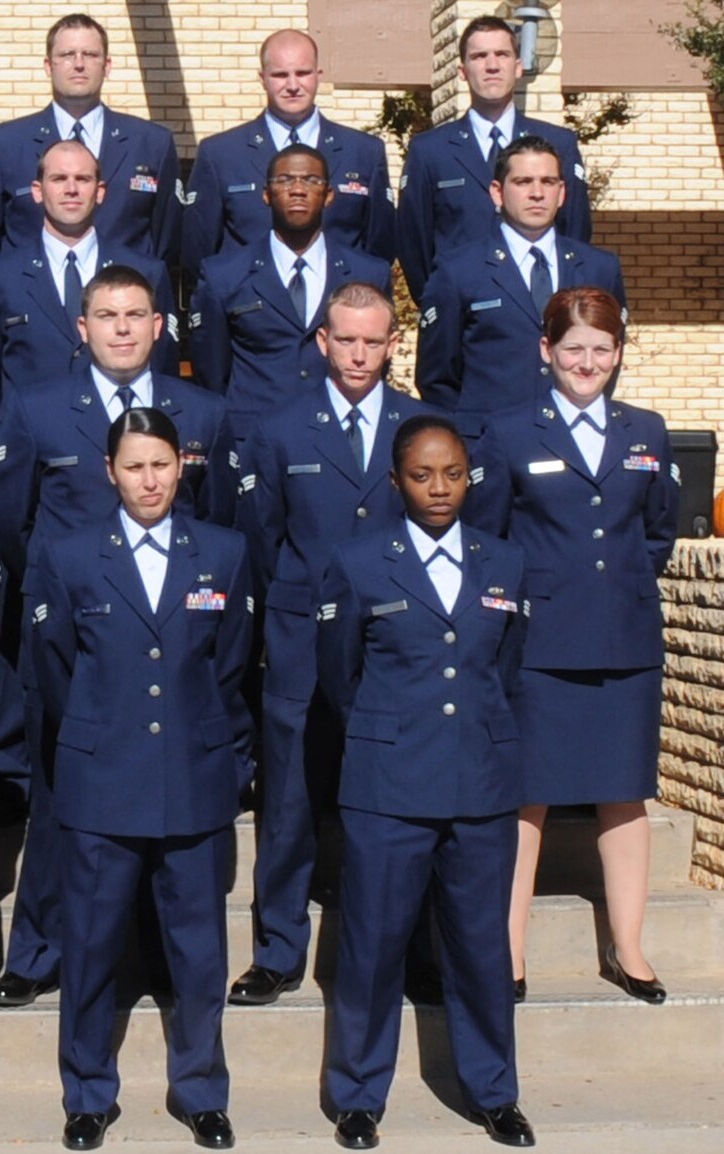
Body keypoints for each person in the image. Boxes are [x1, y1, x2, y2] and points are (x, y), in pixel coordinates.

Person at [0, 265, 229, 1010]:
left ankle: (159, 953)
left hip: (172, 634)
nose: (122, 328)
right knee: (62, 793)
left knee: (174, 803)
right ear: (81, 327)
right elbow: (12, 521)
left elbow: (217, 525)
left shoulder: (203, 412)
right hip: (74, 639)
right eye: (106, 315)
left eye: (136, 315)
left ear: (161, 327)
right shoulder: (35, 408)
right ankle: (38, 949)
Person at [24, 407, 253, 1152]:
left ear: (181, 466)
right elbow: (56, 668)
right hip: (100, 778)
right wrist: (95, 733)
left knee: (198, 948)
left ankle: (201, 1091)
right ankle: (87, 1091)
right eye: (134, 466)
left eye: (161, 464)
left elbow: (230, 665)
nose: (149, 479)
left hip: (192, 774)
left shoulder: (222, 551)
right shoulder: (69, 554)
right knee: (90, 945)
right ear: (109, 471)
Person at [317, 415, 535, 1151]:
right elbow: (339, 676)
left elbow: (505, 668)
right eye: (422, 474)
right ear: (395, 481)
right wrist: (393, 732)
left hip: (479, 781)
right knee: (372, 947)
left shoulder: (505, 563)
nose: (439, 488)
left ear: (470, 478)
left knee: (481, 948)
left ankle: (494, 1092)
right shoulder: (356, 562)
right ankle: (357, 1095)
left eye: (453, 474)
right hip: (389, 783)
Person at [227, 282, 447, 1007]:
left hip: (392, 651)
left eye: (372, 341)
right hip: (296, 644)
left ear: (393, 345)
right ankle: (278, 951)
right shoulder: (281, 428)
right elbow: (262, 539)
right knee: (289, 804)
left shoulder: (421, 427)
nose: (358, 353)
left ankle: (410, 950)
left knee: (397, 811)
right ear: (322, 342)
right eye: (344, 339)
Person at [475, 287, 676, 1006]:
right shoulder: (507, 433)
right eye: (573, 350)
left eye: (601, 349)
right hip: (541, 643)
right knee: (525, 799)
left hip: (624, 639)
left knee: (625, 796)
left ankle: (629, 950)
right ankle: (510, 952)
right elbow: (491, 540)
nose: (586, 363)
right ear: (545, 352)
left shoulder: (647, 430)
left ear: (618, 353)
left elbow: (657, 533)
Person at [0, 138, 177, 427]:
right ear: (37, 191)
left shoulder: (146, 272)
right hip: (33, 445)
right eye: (58, 179)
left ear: (100, 191)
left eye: (82, 179)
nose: (71, 189)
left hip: (125, 443)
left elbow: (163, 368)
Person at [417, 136, 625, 420]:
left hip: (571, 440)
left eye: (548, 182)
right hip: (488, 447)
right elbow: (437, 377)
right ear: (497, 192)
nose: (537, 193)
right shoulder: (458, 270)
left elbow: (609, 358)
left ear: (562, 192)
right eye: (523, 182)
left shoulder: (599, 268)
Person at [189, 145, 393, 422]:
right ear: (266, 195)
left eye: (311, 180)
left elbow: (376, 362)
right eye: (284, 180)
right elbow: (211, 372)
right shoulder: (223, 274)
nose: (298, 189)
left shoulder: (369, 274)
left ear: (329, 195)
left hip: (340, 436)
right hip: (251, 439)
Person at [396, 15, 590, 302]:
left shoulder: (558, 143)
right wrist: (441, 302)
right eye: (479, 56)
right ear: (462, 71)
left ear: (518, 67)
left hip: (541, 307)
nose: (491, 65)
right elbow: (414, 243)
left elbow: (575, 230)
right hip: (461, 313)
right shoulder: (430, 150)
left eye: (502, 54)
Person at [0, 13, 180, 263]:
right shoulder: (4, 144)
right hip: (33, 294)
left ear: (107, 66)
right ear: (48, 66)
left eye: (90, 55)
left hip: (123, 294)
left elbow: (169, 239)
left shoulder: (152, 143)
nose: (79, 64)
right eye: (67, 55)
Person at [183, 30, 392, 269]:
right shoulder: (220, 154)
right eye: (280, 75)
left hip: (339, 299)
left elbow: (379, 250)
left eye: (302, 73)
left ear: (318, 75)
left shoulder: (364, 152)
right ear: (262, 79)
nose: (293, 85)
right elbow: (198, 251)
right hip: (248, 301)